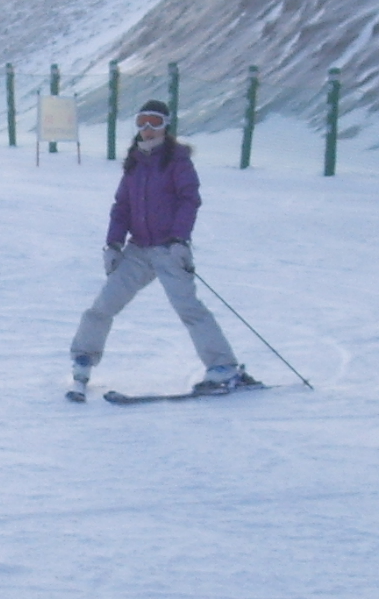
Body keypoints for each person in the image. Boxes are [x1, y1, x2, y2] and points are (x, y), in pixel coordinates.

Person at [67, 99, 255, 400]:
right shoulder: (134, 162)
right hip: (138, 250)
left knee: (189, 310)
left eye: (154, 122)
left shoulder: (177, 161)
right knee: (102, 307)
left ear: (166, 126)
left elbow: (189, 200)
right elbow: (122, 207)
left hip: (168, 249)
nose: (147, 129)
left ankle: (223, 367)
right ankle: (83, 358)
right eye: (142, 122)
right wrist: (113, 244)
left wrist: (180, 240)